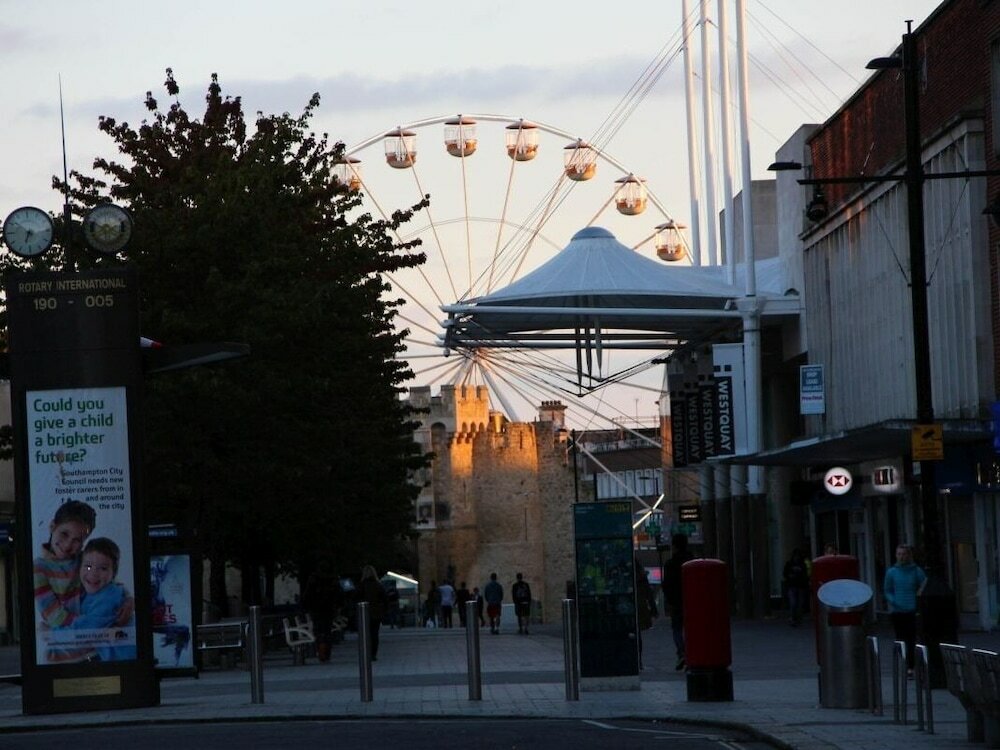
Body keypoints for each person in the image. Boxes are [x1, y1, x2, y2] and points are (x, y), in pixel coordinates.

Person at [72, 537, 137, 661]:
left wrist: (52, 633)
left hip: (121, 662)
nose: (94, 573)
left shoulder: (109, 595)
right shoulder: (88, 591)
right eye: (88, 566)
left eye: (103, 568)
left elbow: (85, 630)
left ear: (114, 573)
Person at [884, 544, 927, 676]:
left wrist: (918, 599)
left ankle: (911, 666)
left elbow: (925, 585)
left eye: (904, 554)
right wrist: (894, 601)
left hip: (913, 610)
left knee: (912, 639)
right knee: (901, 638)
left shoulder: (916, 571)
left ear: (909, 555)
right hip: (898, 611)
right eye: (899, 554)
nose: (902, 557)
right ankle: (904, 663)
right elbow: (887, 590)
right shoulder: (891, 572)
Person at [662, 533, 694, 671]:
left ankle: (681, 653)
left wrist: (669, 600)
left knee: (676, 629)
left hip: (676, 601)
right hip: (692, 600)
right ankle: (691, 653)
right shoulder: (693, 561)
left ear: (674, 546)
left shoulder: (670, 564)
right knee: (691, 628)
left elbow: (667, 584)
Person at [358, 565, 388, 660]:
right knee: (374, 634)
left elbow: (355, 598)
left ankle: (366, 653)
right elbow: (385, 599)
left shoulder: (361, 586)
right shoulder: (378, 585)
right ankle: (373, 654)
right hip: (376, 613)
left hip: (364, 613)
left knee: (365, 634)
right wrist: (384, 611)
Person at [783, 548, 810, 626]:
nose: (796, 558)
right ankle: (795, 618)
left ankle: (796, 618)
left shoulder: (800, 564)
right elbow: (785, 573)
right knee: (794, 603)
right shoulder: (792, 564)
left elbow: (805, 575)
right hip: (794, 585)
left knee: (798, 603)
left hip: (798, 585)